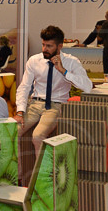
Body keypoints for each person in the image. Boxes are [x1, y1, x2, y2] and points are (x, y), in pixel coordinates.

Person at [14, 25, 92, 158]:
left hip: (56, 105)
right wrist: (20, 111)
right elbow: (24, 87)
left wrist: (64, 71)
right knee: (12, 133)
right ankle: (19, 171)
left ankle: (44, 172)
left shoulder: (71, 61)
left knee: (37, 136)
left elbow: (87, 86)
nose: (44, 49)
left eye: (49, 46)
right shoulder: (34, 60)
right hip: (34, 104)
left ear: (60, 46)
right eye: (43, 45)